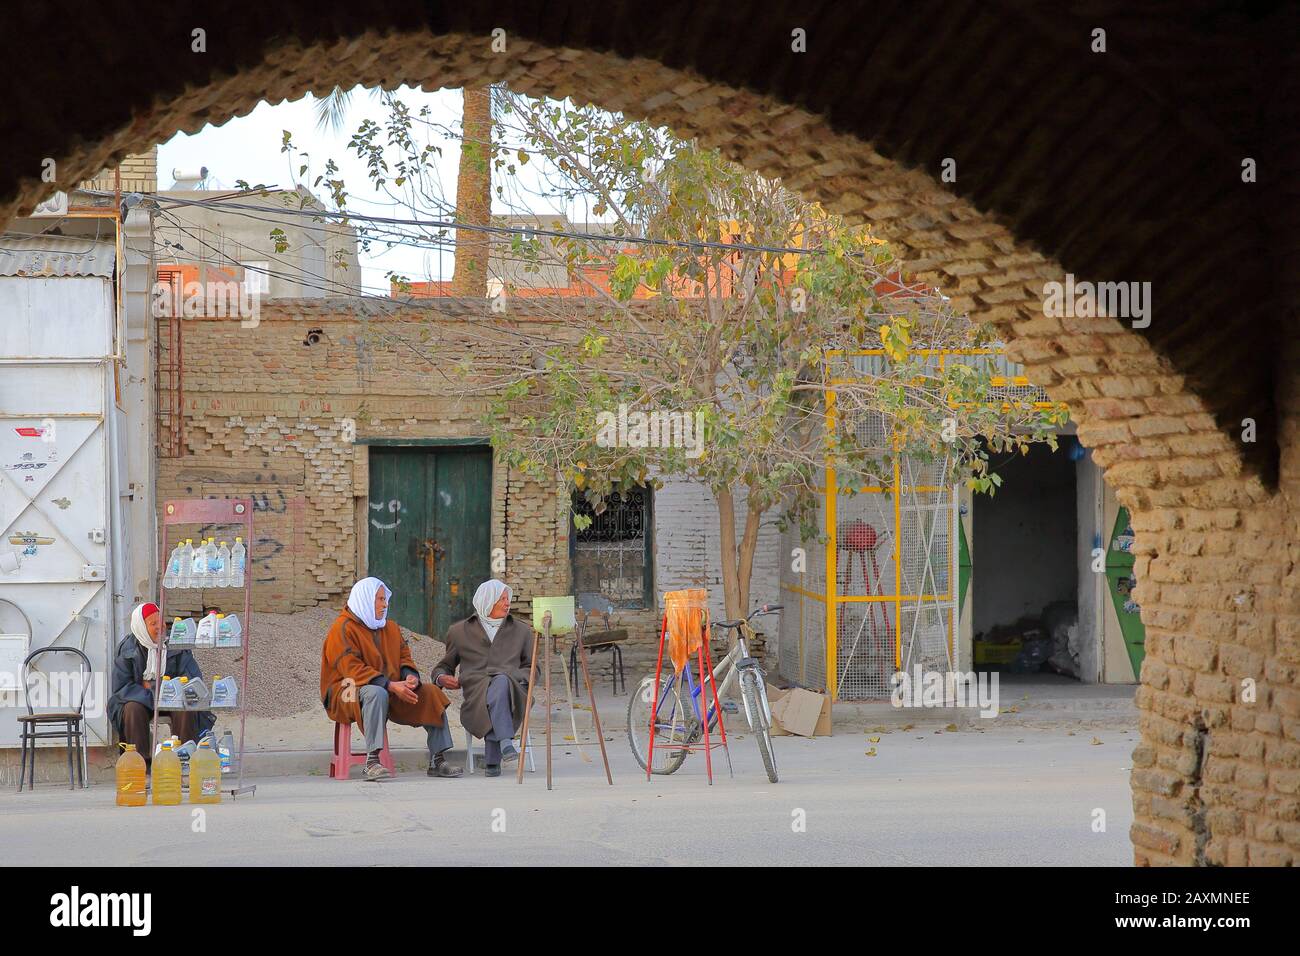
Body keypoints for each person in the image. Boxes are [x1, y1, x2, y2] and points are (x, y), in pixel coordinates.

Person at [320, 577, 461, 780]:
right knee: (376, 692)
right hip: (346, 692)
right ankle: (372, 762)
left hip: (388, 688)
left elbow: (404, 658)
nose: (385, 604)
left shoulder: (391, 628)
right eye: (379, 599)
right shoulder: (342, 629)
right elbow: (351, 669)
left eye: (385, 599)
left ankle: (437, 759)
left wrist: (410, 676)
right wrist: (390, 685)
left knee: (430, 692)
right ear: (365, 599)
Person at [432, 579, 533, 778]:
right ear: (488, 601)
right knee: (496, 690)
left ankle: (496, 754)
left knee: (502, 681)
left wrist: (517, 677)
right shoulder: (459, 631)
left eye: (508, 598)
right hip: (476, 694)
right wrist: (441, 678)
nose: (508, 603)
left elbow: (532, 667)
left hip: (514, 693)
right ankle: (503, 744)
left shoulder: (522, 631)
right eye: (502, 599)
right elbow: (444, 666)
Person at [108, 602, 214, 765]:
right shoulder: (127, 649)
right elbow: (122, 687)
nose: (160, 627)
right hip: (141, 700)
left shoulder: (177, 644)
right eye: (153, 624)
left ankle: (184, 760)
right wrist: (155, 693)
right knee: (132, 709)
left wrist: (156, 688)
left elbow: (192, 678)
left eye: (161, 621)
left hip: (174, 698)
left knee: (186, 708)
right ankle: (140, 764)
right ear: (141, 627)